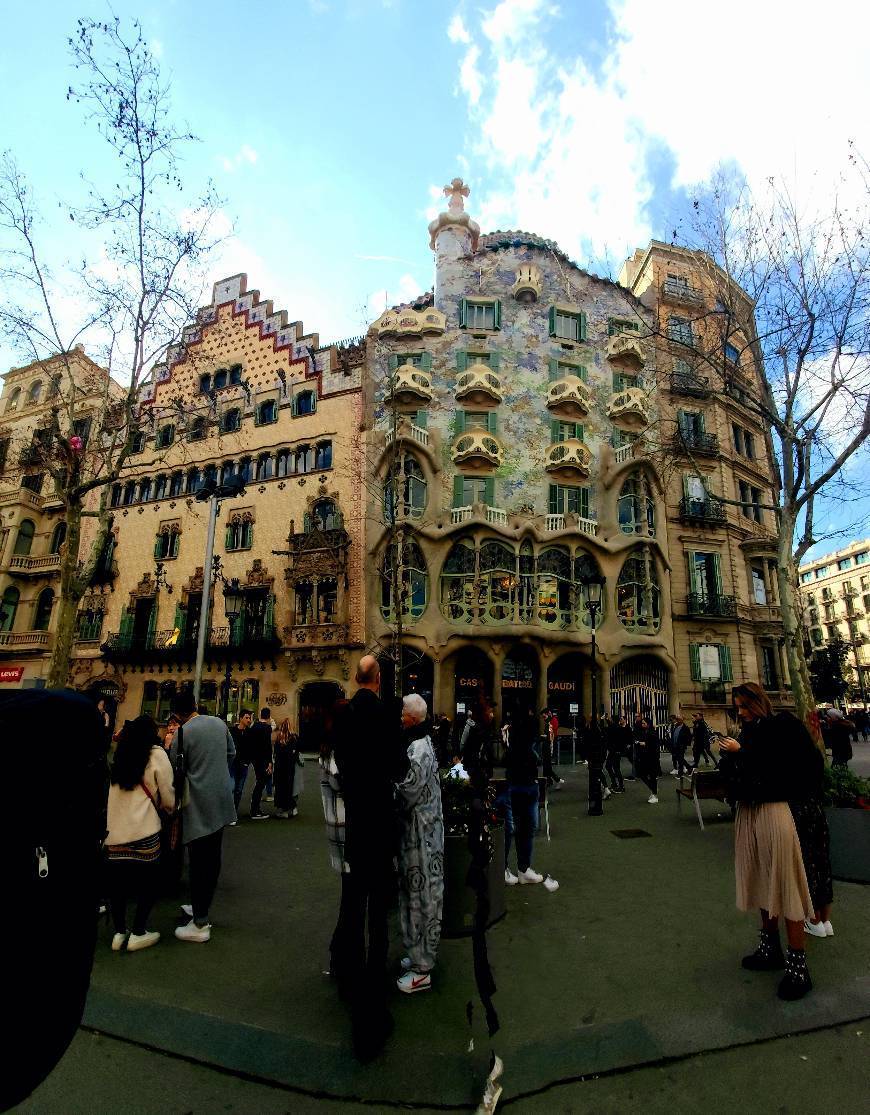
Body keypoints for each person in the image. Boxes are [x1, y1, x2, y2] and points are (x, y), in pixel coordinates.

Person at [718, 682, 817, 1001]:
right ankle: (770, 947)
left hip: (774, 809)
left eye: (745, 706)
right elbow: (738, 771)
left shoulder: (783, 725)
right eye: (738, 708)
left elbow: (801, 765)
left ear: (760, 702)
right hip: (749, 810)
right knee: (760, 878)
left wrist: (742, 753)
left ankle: (798, 967)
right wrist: (730, 755)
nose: (741, 713)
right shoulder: (747, 731)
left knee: (786, 881)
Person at [333, 655, 408, 1060]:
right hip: (380, 821)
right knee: (379, 912)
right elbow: (398, 767)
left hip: (356, 822)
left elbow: (339, 763)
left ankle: (349, 976)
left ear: (357, 679)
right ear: (378, 679)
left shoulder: (344, 716)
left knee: (354, 899)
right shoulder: (385, 715)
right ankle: (374, 998)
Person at [170, 688, 237, 944]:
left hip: (197, 802)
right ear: (196, 705)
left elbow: (175, 767)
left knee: (198, 861)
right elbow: (232, 753)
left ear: (177, 713)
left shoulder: (183, 733)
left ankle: (200, 923)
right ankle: (200, 906)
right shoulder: (219, 723)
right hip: (220, 800)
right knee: (213, 857)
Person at [104, 716, 175, 952]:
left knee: (118, 885)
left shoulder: (121, 753)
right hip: (144, 830)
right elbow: (167, 794)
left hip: (115, 832)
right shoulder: (156, 754)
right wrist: (172, 807)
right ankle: (138, 931)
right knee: (148, 883)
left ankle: (119, 931)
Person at [395, 694, 444, 994]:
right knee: (416, 894)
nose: (399, 715)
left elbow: (407, 790)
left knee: (422, 896)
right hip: (421, 834)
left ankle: (422, 967)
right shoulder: (421, 743)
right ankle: (416, 954)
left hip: (421, 836)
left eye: (402, 711)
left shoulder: (418, 748)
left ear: (412, 717)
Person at [503, 705, 544, 885]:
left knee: (523, 827)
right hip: (523, 784)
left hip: (523, 783)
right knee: (518, 828)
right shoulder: (524, 744)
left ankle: (521, 868)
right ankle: (519, 867)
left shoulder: (517, 741)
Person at [245, 708, 274, 820]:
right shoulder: (267, 728)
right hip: (263, 759)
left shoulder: (254, 727)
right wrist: (270, 762)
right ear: (269, 716)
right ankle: (255, 810)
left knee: (259, 782)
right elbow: (267, 746)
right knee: (261, 783)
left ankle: (255, 808)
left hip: (255, 759)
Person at [274, 718, 301, 818]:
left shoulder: (279, 739)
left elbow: (276, 754)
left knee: (280, 788)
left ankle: (283, 810)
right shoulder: (293, 738)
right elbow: (296, 752)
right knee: (290, 788)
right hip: (290, 768)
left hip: (280, 767)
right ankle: (291, 808)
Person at [230, 709, 253, 814]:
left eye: (250, 718)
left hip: (243, 765)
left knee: (239, 790)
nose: (249, 720)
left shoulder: (249, 732)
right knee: (232, 788)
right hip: (233, 764)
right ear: (241, 718)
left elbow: (251, 749)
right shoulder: (232, 731)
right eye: (247, 718)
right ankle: (229, 811)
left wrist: (247, 761)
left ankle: (234, 811)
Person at [634, 716, 661, 803]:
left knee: (652, 776)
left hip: (652, 757)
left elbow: (652, 745)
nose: (642, 725)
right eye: (642, 723)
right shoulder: (643, 732)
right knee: (642, 774)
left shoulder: (652, 733)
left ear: (648, 724)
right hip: (644, 756)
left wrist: (643, 743)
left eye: (644, 723)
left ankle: (655, 794)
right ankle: (653, 789)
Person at [605, 716, 630, 793]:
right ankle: (615, 783)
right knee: (610, 766)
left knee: (615, 767)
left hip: (616, 750)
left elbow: (620, 740)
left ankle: (620, 786)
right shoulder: (616, 728)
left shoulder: (617, 728)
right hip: (614, 750)